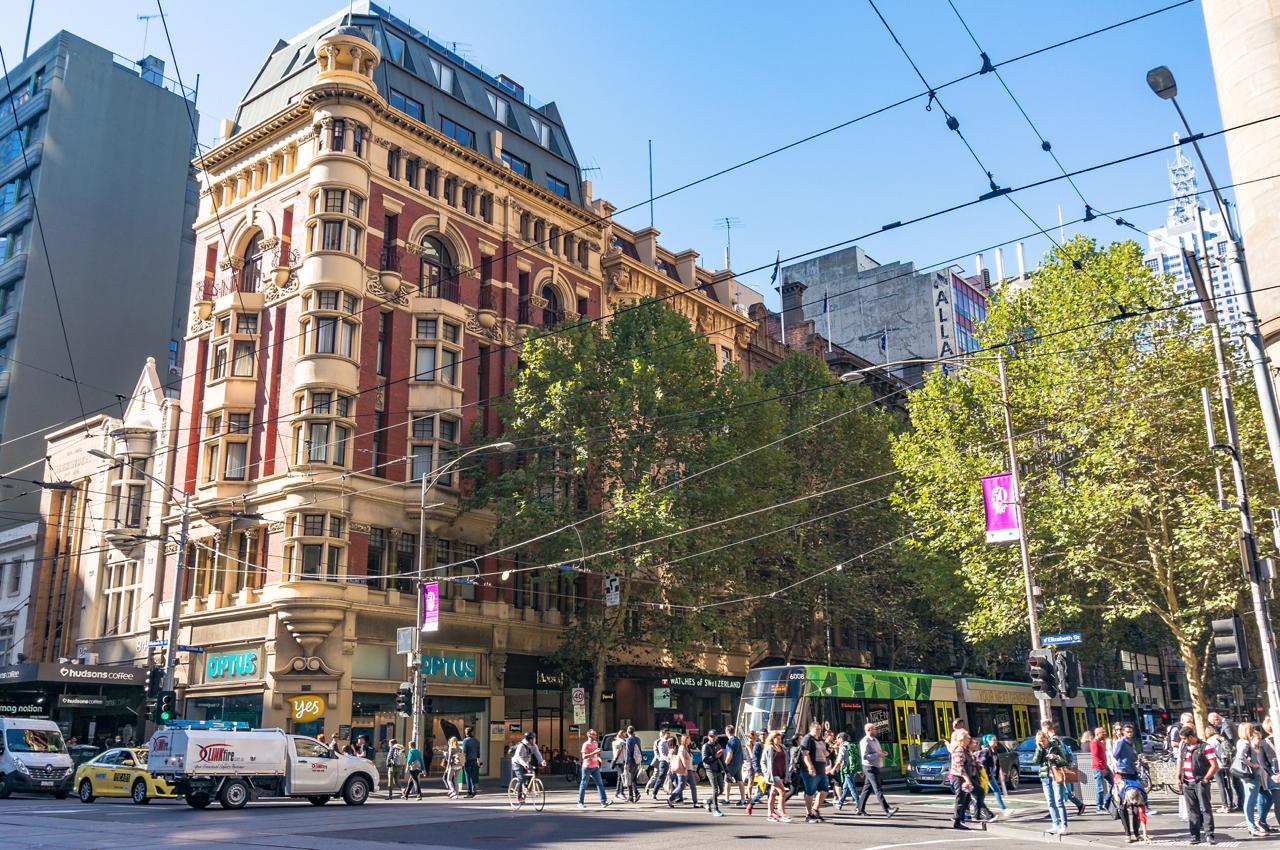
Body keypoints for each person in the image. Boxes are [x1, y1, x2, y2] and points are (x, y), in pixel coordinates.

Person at [1175, 726, 1218, 845]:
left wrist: (1205, 778)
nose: (1182, 741)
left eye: (1184, 738)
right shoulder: (1184, 746)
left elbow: (1214, 765)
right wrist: (1177, 777)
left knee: (1205, 808)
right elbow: (1180, 761)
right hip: (1187, 782)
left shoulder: (1205, 747)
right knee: (1192, 809)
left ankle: (1209, 834)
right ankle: (1195, 835)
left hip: (1200, 781)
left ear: (1191, 737)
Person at [1034, 727, 1070, 834]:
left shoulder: (1054, 747)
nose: (1042, 744)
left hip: (1055, 777)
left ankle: (1064, 826)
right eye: (1040, 742)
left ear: (1047, 739)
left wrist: (1055, 757)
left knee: (1059, 801)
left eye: (1043, 741)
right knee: (1050, 802)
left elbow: (1064, 761)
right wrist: (1039, 750)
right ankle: (1055, 824)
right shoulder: (1040, 749)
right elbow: (1035, 761)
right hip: (1045, 778)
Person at [857, 723, 898, 817]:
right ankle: (887, 809)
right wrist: (878, 755)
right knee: (877, 788)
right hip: (869, 767)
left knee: (867, 789)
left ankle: (859, 809)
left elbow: (876, 752)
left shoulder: (875, 740)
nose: (876, 730)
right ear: (869, 730)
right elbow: (865, 756)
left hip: (875, 766)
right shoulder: (865, 741)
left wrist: (882, 753)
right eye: (874, 729)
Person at [798, 721, 829, 823]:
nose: (819, 731)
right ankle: (808, 814)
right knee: (810, 792)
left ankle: (815, 810)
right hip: (810, 771)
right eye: (817, 729)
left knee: (824, 790)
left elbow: (825, 753)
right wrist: (810, 767)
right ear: (811, 729)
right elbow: (805, 755)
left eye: (820, 729)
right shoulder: (807, 739)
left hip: (821, 769)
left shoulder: (819, 739)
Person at [948, 729, 978, 830]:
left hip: (964, 777)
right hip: (959, 777)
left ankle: (961, 818)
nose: (969, 738)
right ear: (962, 739)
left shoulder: (964, 749)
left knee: (966, 797)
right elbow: (959, 767)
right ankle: (957, 821)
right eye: (967, 737)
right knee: (960, 798)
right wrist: (967, 780)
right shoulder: (959, 750)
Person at [761, 730, 791, 823]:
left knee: (773, 793)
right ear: (772, 739)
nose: (779, 740)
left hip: (781, 773)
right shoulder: (769, 748)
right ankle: (782, 813)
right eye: (777, 738)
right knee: (782, 792)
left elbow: (786, 760)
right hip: (773, 774)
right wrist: (766, 773)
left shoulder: (782, 747)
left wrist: (788, 773)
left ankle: (770, 814)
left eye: (780, 738)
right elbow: (763, 762)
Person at [577, 729, 610, 810]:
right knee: (583, 784)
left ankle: (604, 801)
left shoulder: (595, 743)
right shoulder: (585, 744)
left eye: (595, 734)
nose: (595, 736)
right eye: (593, 734)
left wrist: (600, 760)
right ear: (589, 735)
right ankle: (580, 802)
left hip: (595, 767)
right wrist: (594, 753)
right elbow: (584, 757)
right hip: (587, 767)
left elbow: (596, 755)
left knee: (600, 784)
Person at [511, 732, 545, 802]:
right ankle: (519, 797)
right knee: (521, 778)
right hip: (517, 763)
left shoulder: (534, 746)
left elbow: (537, 754)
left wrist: (541, 761)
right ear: (530, 740)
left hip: (526, 763)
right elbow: (518, 757)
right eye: (534, 739)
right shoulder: (521, 746)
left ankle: (526, 787)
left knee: (531, 772)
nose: (535, 740)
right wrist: (524, 764)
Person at [667, 733, 698, 808]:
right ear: (685, 740)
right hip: (683, 770)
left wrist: (694, 771)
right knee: (681, 786)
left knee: (693, 786)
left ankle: (695, 802)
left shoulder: (688, 748)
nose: (690, 740)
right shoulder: (681, 748)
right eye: (688, 739)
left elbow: (689, 761)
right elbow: (682, 758)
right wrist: (686, 769)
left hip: (689, 770)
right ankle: (670, 798)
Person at [978, 734, 1007, 813]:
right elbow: (982, 762)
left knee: (984, 792)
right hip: (986, 775)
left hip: (990, 774)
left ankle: (978, 808)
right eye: (993, 740)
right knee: (995, 790)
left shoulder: (994, 751)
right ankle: (1003, 808)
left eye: (995, 739)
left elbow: (996, 763)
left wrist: (1000, 772)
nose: (995, 741)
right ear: (988, 741)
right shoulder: (986, 751)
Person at [701, 729, 726, 816]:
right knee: (715, 790)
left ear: (716, 737)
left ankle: (709, 801)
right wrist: (715, 756)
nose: (712, 738)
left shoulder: (718, 746)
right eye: (711, 736)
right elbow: (705, 760)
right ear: (708, 737)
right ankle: (716, 809)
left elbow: (722, 760)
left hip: (718, 769)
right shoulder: (705, 746)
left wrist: (727, 771)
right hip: (710, 770)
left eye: (714, 736)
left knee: (721, 789)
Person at [832, 731, 859, 810]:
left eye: (837, 738)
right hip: (853, 768)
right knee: (845, 787)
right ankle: (840, 803)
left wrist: (834, 768)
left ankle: (859, 805)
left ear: (841, 738)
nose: (837, 740)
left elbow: (839, 760)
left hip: (847, 769)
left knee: (851, 787)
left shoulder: (843, 747)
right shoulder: (851, 745)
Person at [1088, 726, 1110, 813]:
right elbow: (1095, 756)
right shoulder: (1094, 743)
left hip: (1103, 767)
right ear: (1098, 734)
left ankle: (1105, 803)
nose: (1104, 733)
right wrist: (1102, 768)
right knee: (1099, 788)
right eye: (1103, 732)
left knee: (1113, 783)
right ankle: (1099, 806)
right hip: (1098, 768)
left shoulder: (1100, 742)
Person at [724, 725, 746, 805]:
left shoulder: (730, 741)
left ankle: (726, 799)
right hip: (739, 763)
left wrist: (725, 764)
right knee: (740, 781)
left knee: (727, 781)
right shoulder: (737, 740)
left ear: (727, 731)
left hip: (732, 764)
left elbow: (730, 754)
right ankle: (743, 799)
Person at [647, 730, 672, 800]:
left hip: (666, 762)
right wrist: (668, 760)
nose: (669, 736)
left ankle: (675, 794)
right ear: (664, 734)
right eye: (668, 734)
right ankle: (654, 793)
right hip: (663, 762)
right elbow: (662, 754)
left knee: (670, 777)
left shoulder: (667, 742)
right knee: (661, 778)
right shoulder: (662, 743)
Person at [461, 726, 482, 798]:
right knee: (472, 776)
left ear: (466, 733)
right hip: (474, 760)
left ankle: (469, 792)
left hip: (468, 760)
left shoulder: (465, 741)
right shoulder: (476, 741)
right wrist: (478, 761)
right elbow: (478, 753)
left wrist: (463, 762)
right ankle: (473, 789)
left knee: (468, 776)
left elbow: (464, 753)